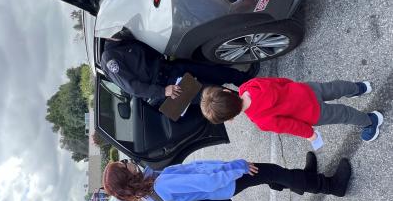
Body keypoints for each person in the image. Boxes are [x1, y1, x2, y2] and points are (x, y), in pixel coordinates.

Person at [102, 152, 351, 201]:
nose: (126, 161)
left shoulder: (150, 185)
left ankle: (301, 180)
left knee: (273, 174)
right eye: (123, 165)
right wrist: (236, 168)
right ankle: (331, 186)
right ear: (128, 175)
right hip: (226, 182)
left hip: (223, 183)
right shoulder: (161, 185)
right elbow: (206, 182)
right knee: (272, 171)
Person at [200, 78, 384, 142]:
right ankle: (360, 88)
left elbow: (290, 126)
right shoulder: (248, 86)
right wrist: (293, 86)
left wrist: (309, 134)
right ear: (226, 91)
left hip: (312, 113)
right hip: (305, 89)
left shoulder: (261, 121)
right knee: (334, 88)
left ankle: (371, 122)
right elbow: (279, 81)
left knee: (342, 114)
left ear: (231, 118)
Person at [101, 37, 260, 106]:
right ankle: (253, 102)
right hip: (169, 86)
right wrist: (163, 92)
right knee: (215, 95)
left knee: (214, 72)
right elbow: (132, 87)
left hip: (172, 67)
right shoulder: (110, 58)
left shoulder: (126, 40)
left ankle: (246, 81)